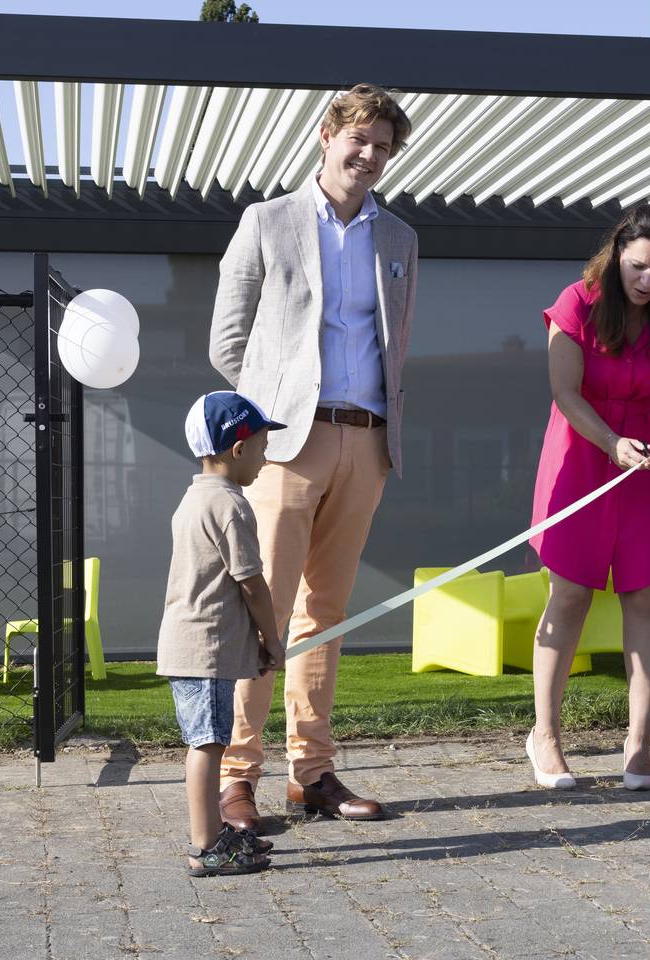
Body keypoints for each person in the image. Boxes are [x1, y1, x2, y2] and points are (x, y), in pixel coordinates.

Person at [207, 84, 417, 830]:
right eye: (359, 140)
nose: (369, 156)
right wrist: (267, 419)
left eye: (384, 147)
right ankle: (236, 777)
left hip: (368, 441)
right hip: (286, 447)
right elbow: (227, 343)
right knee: (262, 612)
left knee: (325, 614)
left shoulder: (399, 240)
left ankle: (313, 774)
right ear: (327, 135)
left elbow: (395, 346)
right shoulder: (268, 222)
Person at [526, 203, 650, 791]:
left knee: (646, 597)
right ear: (617, 252)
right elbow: (562, 391)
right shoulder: (577, 302)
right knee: (570, 594)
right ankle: (545, 736)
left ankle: (639, 742)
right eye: (638, 266)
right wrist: (610, 441)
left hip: (640, 469)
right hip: (580, 455)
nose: (648, 280)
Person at [157, 391, 287, 875]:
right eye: (262, 446)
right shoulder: (231, 505)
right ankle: (205, 845)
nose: (265, 456)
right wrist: (271, 639)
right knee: (208, 744)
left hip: (193, 644)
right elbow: (251, 583)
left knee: (207, 739)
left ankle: (214, 832)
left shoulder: (194, 499)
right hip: (204, 649)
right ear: (237, 448)